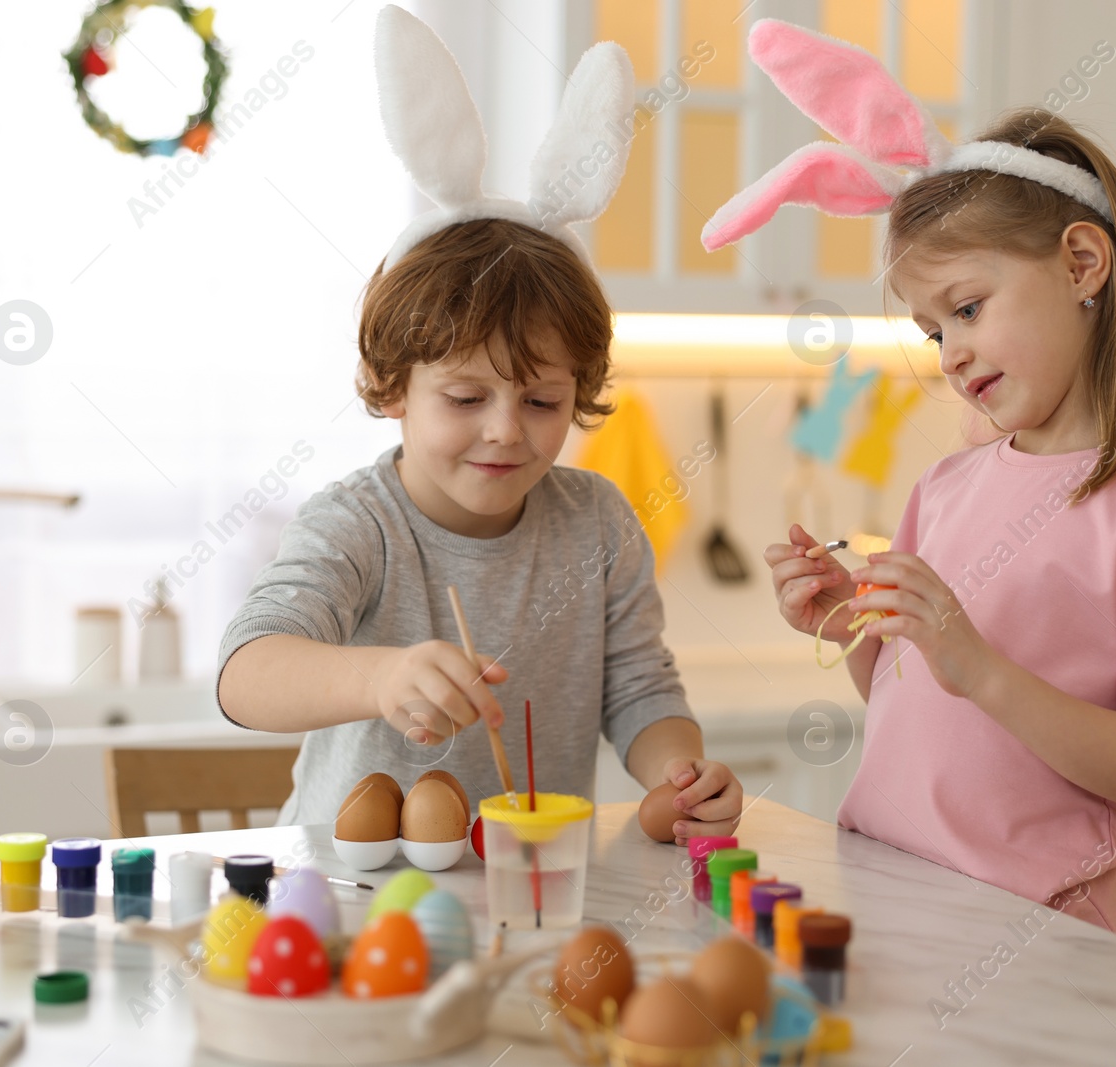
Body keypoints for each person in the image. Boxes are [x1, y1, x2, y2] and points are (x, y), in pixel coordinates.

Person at [710, 19, 1116, 941]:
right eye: (932, 330)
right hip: (895, 897)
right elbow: (913, 696)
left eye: (966, 307)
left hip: (1041, 942)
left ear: (1083, 264)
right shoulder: (949, 485)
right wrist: (853, 625)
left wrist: (982, 668)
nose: (950, 354)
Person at [216, 5, 742, 843]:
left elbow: (641, 689)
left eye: (541, 401)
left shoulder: (598, 523)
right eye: (465, 399)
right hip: (355, 901)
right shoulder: (359, 525)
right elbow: (246, 672)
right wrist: (383, 676)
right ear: (392, 386)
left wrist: (679, 771)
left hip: (526, 883)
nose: (506, 430)